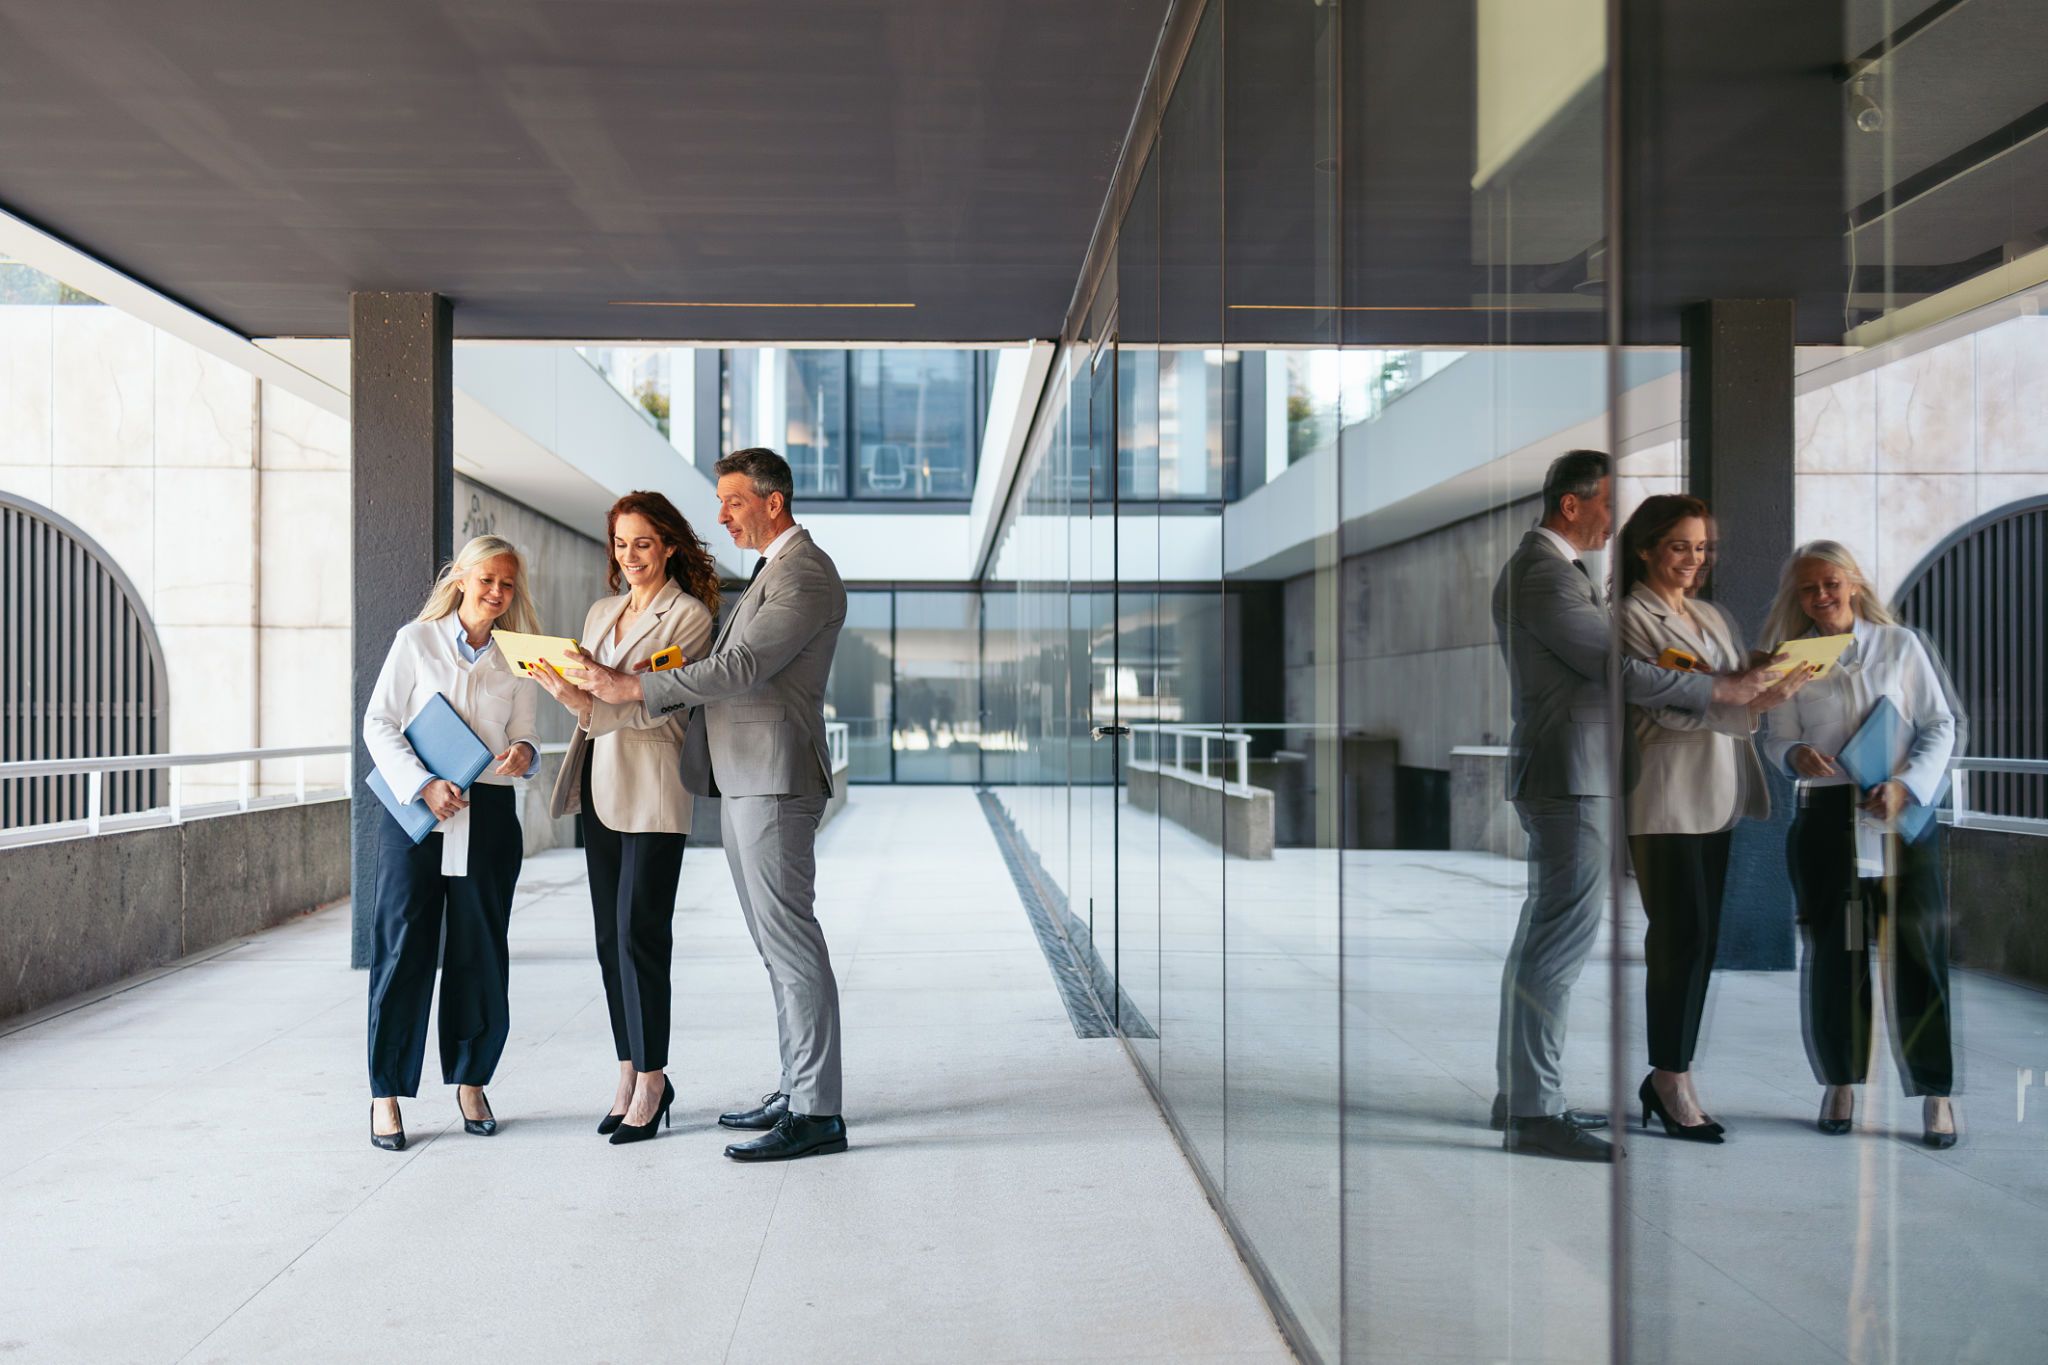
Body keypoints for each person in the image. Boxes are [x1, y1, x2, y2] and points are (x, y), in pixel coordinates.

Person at [1491, 451, 1784, 1162]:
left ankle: (1523, 1095)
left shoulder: (1554, 571)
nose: (1613, 520)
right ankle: (1534, 1111)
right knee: (1558, 945)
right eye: (1607, 504)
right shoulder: (1543, 572)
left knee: (1545, 940)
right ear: (1572, 504)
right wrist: (1720, 690)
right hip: (1573, 773)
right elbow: (1615, 669)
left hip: (1575, 770)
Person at [566, 448, 850, 1163]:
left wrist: (635, 687)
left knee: (790, 944)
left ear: (773, 502)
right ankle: (797, 1087)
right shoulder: (773, 572)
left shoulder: (804, 572)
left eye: (733, 501)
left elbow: (742, 666)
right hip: (746, 775)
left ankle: (817, 1111)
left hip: (774, 777)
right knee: (774, 946)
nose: (721, 515)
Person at [1617, 495, 1809, 1143]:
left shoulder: (1707, 615)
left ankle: (1672, 1072)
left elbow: (1725, 693)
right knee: (1679, 935)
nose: (1693, 560)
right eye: (1680, 546)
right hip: (1664, 795)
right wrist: (1741, 693)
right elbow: (1665, 706)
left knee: (1700, 940)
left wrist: (1766, 686)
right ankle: (1669, 1078)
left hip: (1718, 792)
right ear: (1646, 547)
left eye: (1701, 548)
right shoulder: (1628, 619)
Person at [1759, 541, 1959, 1147]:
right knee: (1836, 957)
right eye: (1808, 588)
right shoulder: (1796, 658)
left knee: (1919, 957)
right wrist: (1795, 753)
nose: (1821, 596)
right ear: (1797, 597)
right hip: (1827, 826)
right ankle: (1840, 1082)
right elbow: (1776, 738)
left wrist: (1907, 784)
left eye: (1830, 583)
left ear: (1853, 583)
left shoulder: (1900, 646)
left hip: (1901, 823)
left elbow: (1940, 725)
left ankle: (1936, 1094)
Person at [532, 492, 717, 1145]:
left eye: (642, 542)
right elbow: (599, 701)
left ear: (668, 545)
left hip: (652, 786)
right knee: (610, 939)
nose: (630, 555)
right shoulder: (601, 611)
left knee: (642, 934)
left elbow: (662, 703)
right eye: (620, 543)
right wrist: (569, 693)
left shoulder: (689, 617)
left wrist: (600, 691)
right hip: (598, 781)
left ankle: (655, 1079)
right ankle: (628, 1072)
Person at [361, 535, 541, 1151]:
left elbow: (525, 737)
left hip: (487, 817)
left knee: (480, 951)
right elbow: (378, 722)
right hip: (415, 815)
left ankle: (471, 1082)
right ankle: (386, 1094)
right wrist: (422, 783)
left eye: (507, 584)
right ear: (461, 578)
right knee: (402, 949)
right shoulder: (416, 641)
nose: (497, 592)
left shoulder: (516, 659)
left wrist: (524, 753)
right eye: (487, 579)